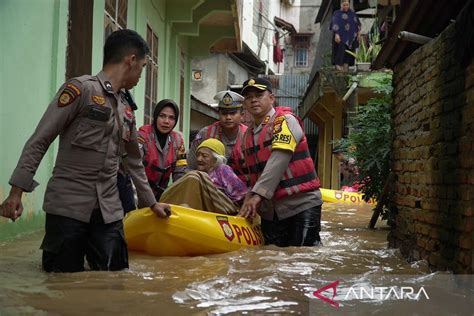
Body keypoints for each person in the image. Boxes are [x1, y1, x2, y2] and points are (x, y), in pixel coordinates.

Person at [0, 29, 170, 273]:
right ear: (130, 60)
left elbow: (134, 161)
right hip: (68, 207)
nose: (141, 75)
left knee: (116, 280)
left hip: (109, 212)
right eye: (143, 67)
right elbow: (41, 139)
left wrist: (152, 204)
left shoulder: (127, 109)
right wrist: (16, 193)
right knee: (61, 283)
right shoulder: (80, 90)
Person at [235, 78, 323, 247]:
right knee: (273, 261)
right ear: (244, 104)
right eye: (248, 97)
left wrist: (258, 195)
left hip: (301, 204)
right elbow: (249, 174)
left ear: (271, 98)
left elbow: (278, 160)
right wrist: (248, 196)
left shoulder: (285, 121)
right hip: (271, 212)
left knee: (302, 260)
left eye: (259, 95)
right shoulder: (247, 135)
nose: (253, 100)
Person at [160, 138, 248, 215]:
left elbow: (242, 194)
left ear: (216, 159)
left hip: (223, 210)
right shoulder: (199, 174)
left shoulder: (222, 169)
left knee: (194, 177)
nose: (199, 159)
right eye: (198, 155)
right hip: (204, 212)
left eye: (204, 156)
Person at [135, 99, 187, 202]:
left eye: (171, 118)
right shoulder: (142, 137)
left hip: (162, 198)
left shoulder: (178, 141)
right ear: (155, 117)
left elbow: (180, 174)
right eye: (162, 116)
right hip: (138, 194)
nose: (166, 121)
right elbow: (135, 170)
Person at [187, 90, 247, 171]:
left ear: (242, 115)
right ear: (219, 114)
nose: (228, 117)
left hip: (242, 182)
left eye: (232, 113)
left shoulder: (248, 134)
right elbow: (190, 166)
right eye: (224, 113)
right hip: (208, 182)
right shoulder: (205, 134)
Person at [330, 0, 361, 71]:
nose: (345, 6)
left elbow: (357, 24)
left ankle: (346, 68)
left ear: (349, 5)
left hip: (351, 38)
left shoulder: (352, 13)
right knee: (340, 52)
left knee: (348, 55)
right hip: (340, 38)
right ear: (341, 5)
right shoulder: (337, 13)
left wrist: (358, 33)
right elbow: (334, 24)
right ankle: (338, 67)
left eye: (347, 5)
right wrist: (337, 34)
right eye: (344, 5)